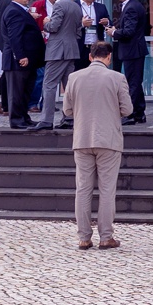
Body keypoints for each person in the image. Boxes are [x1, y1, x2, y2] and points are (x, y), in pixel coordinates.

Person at [61, 40, 133, 250]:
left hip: (82, 138)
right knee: (107, 190)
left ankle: (84, 237)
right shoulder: (117, 78)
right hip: (108, 139)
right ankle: (106, 237)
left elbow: (67, 110)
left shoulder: (74, 77)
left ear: (90, 56)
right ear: (109, 57)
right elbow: (127, 110)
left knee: (82, 189)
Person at [0, 0, 34, 123]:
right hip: (16, 55)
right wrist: (20, 56)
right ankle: (15, 117)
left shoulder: (15, 6)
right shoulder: (13, 9)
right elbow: (14, 35)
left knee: (19, 87)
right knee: (15, 88)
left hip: (17, 54)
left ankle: (22, 117)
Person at [40, 0, 81, 130]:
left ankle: (46, 120)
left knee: (49, 85)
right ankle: (70, 119)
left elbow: (53, 27)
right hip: (71, 50)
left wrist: (46, 22)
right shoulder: (76, 6)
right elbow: (78, 30)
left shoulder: (59, 5)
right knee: (69, 87)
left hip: (57, 51)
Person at [111, 0, 148, 125]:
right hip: (134, 50)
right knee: (135, 82)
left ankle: (131, 114)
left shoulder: (132, 7)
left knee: (132, 83)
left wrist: (114, 33)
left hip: (133, 51)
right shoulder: (133, 5)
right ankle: (139, 113)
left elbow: (129, 31)